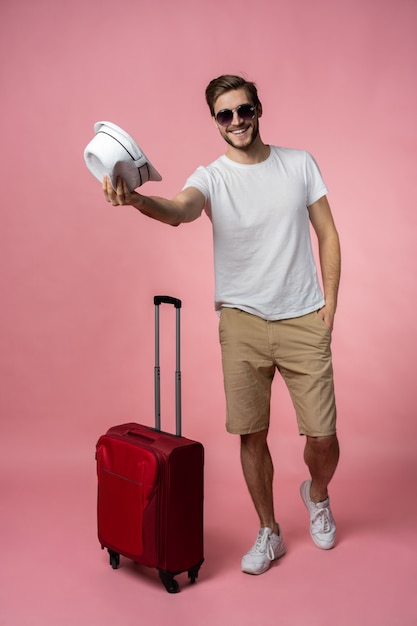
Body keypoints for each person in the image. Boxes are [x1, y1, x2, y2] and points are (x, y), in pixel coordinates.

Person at [102, 74, 341, 576]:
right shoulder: (211, 177)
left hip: (303, 317)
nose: (236, 121)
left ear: (258, 110)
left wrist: (330, 308)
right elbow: (179, 210)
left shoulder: (299, 163)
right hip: (242, 322)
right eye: (225, 114)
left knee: (322, 436)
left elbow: (328, 233)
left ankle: (316, 494)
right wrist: (139, 200)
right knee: (251, 434)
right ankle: (269, 531)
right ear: (215, 121)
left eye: (244, 110)